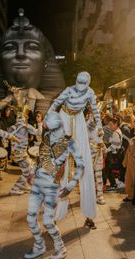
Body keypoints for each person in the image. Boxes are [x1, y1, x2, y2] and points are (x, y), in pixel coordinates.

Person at [24, 111, 83, 259]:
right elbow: (40, 158)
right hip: (37, 183)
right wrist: (31, 173)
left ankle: (61, 248)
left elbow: (81, 166)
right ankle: (39, 246)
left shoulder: (69, 141)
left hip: (51, 186)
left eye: (50, 127)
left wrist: (70, 185)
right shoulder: (47, 137)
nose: (49, 130)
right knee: (30, 219)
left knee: (48, 222)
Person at [47, 71, 101, 228]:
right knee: (60, 166)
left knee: (86, 167)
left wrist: (99, 126)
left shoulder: (90, 92)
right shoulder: (69, 90)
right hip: (64, 118)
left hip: (79, 120)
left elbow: (95, 110)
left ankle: (90, 215)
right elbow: (56, 103)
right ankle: (55, 213)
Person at [0, 9, 65, 113]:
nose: (20, 54)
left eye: (32, 47)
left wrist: (41, 111)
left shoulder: (51, 119)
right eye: (10, 48)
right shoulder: (1, 111)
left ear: (46, 60)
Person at [8, 113, 40, 195]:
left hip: (15, 153)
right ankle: (14, 189)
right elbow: (38, 133)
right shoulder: (26, 126)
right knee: (27, 172)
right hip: (21, 153)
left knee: (31, 166)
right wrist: (39, 123)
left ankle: (23, 185)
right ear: (24, 118)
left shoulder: (12, 127)